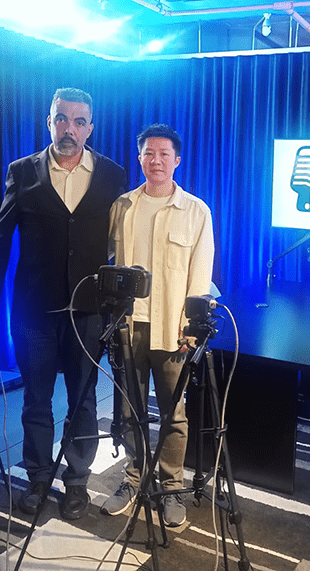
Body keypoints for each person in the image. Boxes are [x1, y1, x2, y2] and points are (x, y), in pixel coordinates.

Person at [0, 87, 127, 520]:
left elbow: (121, 241)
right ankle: (39, 475)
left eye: (79, 122)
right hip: (33, 309)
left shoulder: (112, 175)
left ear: (90, 128)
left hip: (89, 310)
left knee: (83, 399)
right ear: (49, 122)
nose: (69, 129)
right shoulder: (22, 172)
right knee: (36, 397)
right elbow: (0, 239)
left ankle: (76, 480)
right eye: (62, 119)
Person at [101, 124, 214, 527]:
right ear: (140, 158)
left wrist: (192, 327)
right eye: (149, 153)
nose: (156, 160)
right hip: (129, 326)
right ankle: (133, 479)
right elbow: (106, 260)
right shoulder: (123, 206)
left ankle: (171, 486)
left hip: (173, 330)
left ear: (177, 160)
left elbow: (200, 276)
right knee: (130, 410)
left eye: (164, 154)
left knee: (173, 414)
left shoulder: (196, 211)